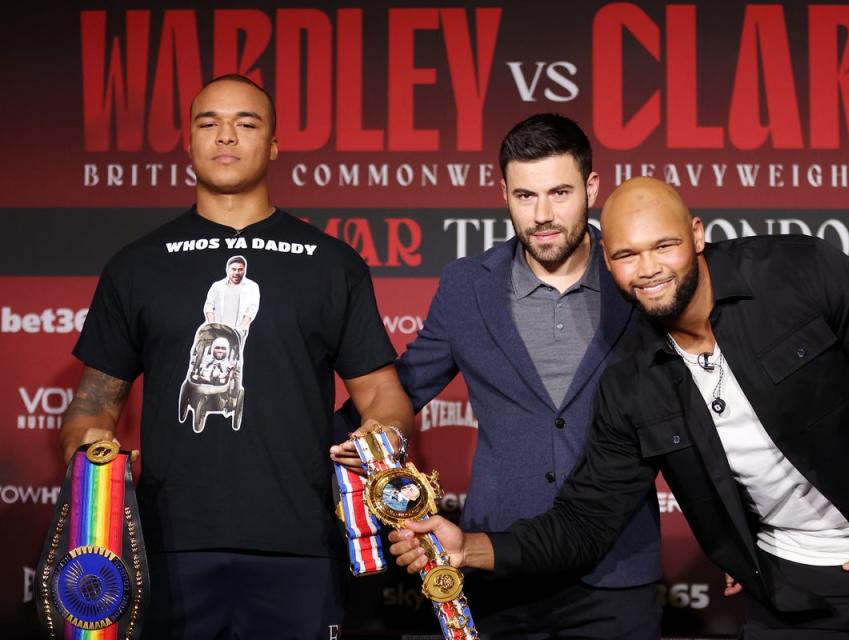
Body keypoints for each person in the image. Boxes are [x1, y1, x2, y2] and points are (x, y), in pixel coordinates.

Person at [390, 177, 849, 638]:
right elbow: (586, 520)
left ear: (697, 234)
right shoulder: (631, 382)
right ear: (606, 263)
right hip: (790, 583)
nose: (649, 269)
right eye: (626, 255)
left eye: (664, 246)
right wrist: (471, 547)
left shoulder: (799, 272)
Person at [60, 74, 414, 639]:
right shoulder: (137, 266)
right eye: (209, 123)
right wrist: (92, 461)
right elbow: (92, 404)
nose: (226, 136)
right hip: (166, 552)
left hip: (300, 547)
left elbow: (381, 394)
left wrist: (379, 443)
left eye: (245, 123)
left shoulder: (331, 264)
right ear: (189, 142)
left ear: (272, 145)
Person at [333, 115, 662, 639]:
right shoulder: (467, 286)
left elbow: (707, 413)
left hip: (618, 566)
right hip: (497, 563)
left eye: (560, 192)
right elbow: (406, 385)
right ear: (503, 193)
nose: (544, 215)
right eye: (526, 196)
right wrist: (339, 439)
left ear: (592, 188)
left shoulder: (637, 279)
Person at [204, 254, 260, 332]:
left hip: (239, 332)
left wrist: (239, 329)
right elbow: (209, 306)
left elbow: (252, 309)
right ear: (227, 269)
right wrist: (213, 326)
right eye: (233, 269)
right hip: (218, 330)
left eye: (240, 269)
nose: (237, 272)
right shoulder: (217, 286)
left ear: (245, 270)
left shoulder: (252, 286)